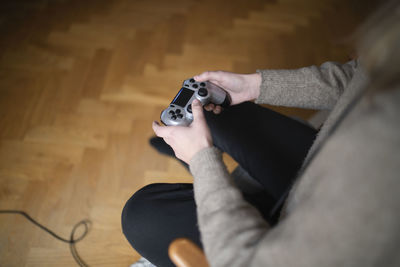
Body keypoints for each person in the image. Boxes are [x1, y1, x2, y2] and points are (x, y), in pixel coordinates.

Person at [121, 1, 400, 266]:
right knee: (215, 107)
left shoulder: (383, 193)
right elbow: (357, 77)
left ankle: (231, 197)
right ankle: (238, 194)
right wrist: (255, 85)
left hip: (306, 228)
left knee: (140, 216)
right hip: (320, 165)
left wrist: (201, 160)